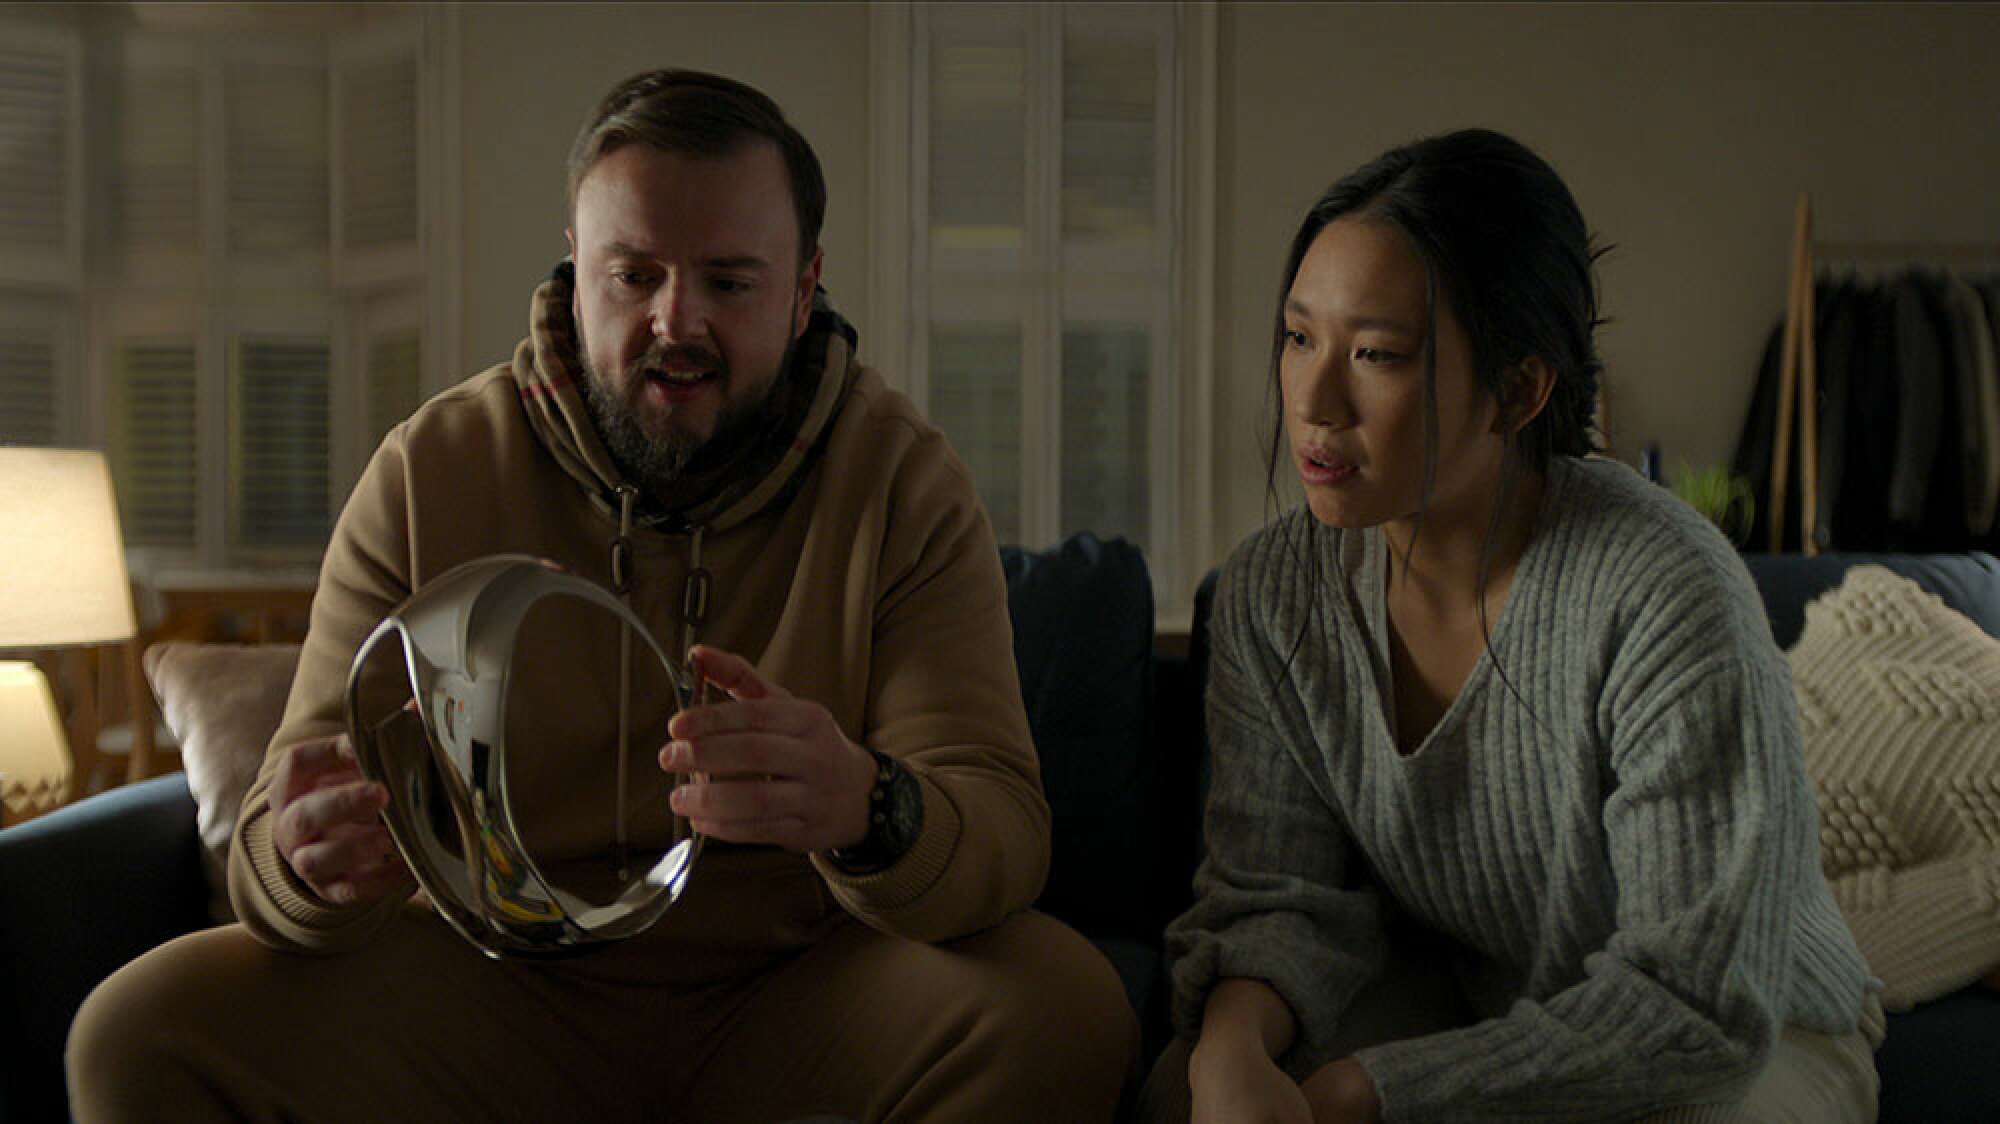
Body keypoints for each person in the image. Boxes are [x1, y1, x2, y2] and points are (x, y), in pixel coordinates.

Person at [68, 69, 1134, 1123]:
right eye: (633, 275)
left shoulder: (903, 479)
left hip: (800, 992)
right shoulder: (429, 469)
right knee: (134, 1028)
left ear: (806, 288)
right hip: (485, 991)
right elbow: (271, 838)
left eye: (728, 281)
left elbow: (1001, 829)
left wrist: (868, 802)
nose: (675, 322)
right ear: (576, 269)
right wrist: (302, 860)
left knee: (1064, 1004)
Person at [1144, 129, 1881, 1123]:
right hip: (1477, 992)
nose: (1313, 400)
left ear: (1518, 390)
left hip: (1743, 1034)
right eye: (1296, 336)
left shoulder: (1662, 590)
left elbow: (1694, 1002)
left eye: (1374, 354)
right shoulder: (1273, 592)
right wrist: (1226, 1053)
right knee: (1187, 1090)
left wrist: (1372, 1089)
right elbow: (1277, 895)